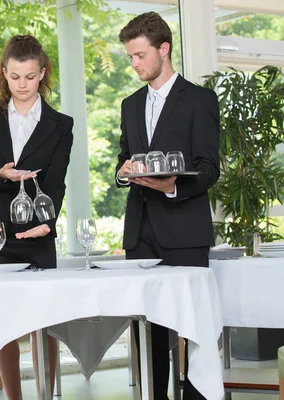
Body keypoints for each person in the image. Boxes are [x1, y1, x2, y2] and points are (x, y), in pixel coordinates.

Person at [115, 12, 220, 400]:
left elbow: (210, 169)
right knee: (147, 333)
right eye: (130, 57)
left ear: (164, 49)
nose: (135, 64)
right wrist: (123, 172)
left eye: (140, 55)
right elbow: (124, 159)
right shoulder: (129, 105)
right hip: (140, 234)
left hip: (185, 233)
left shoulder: (199, 100)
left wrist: (173, 186)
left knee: (193, 331)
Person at [0, 34, 74, 399]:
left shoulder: (61, 124)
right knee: (1, 323)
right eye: (15, 77)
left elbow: (57, 182)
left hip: (36, 230)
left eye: (30, 76)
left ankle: (47, 394)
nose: (22, 85)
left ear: (42, 72)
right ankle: (13, 397)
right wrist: (2, 173)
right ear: (4, 73)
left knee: (44, 320)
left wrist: (50, 220)